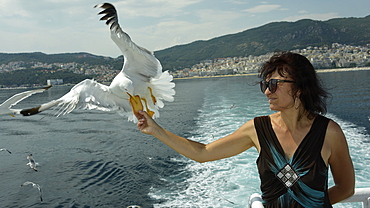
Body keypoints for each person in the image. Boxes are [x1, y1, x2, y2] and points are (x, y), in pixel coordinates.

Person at [136, 51, 355, 207]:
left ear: (298, 88)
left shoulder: (329, 133)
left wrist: (311, 203)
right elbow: (202, 153)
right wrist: (156, 129)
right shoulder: (257, 129)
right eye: (265, 85)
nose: (267, 92)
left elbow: (346, 188)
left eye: (274, 84)